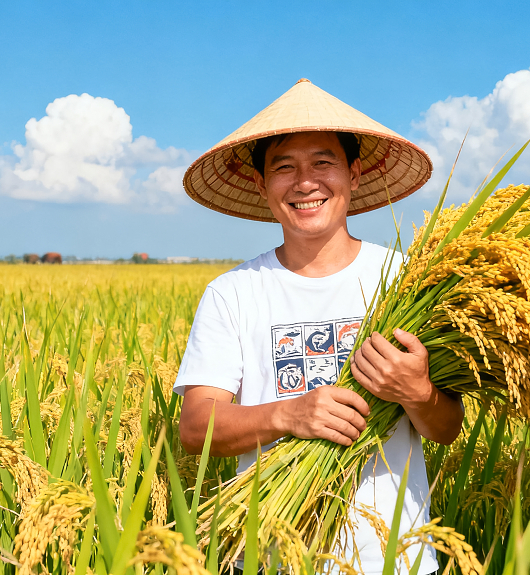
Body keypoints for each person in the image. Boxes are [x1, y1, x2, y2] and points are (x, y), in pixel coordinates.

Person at [175, 79, 464, 572]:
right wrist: (288, 415)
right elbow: (196, 427)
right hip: (273, 556)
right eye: (283, 167)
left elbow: (446, 428)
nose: (305, 182)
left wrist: (417, 391)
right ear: (261, 185)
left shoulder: (407, 281)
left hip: (394, 558)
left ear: (353, 172)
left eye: (322, 162)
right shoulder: (234, 293)